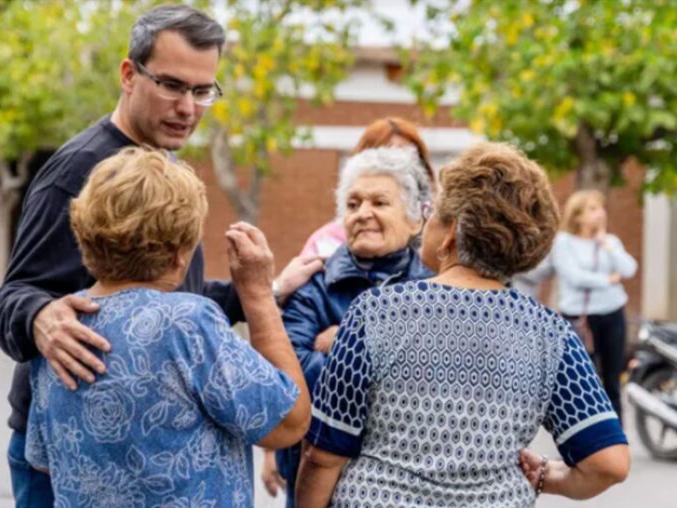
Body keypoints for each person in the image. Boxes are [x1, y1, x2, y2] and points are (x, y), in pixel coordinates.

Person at [0, 5, 319, 506]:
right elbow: (10, 297)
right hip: (72, 456)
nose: (187, 107)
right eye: (172, 85)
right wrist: (37, 316)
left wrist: (264, 291)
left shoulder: (160, 167)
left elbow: (160, 300)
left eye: (202, 91)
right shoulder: (79, 171)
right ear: (128, 74)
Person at [297, 142, 630, 507]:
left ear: (453, 232)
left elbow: (322, 454)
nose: (424, 224)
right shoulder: (551, 335)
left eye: (432, 212)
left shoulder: (375, 312)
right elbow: (608, 463)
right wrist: (546, 477)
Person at [25, 147, 310, 507]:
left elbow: (44, 461)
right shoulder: (187, 323)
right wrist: (257, 295)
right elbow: (289, 422)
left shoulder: (57, 327)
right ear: (179, 254)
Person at [264, 147, 434, 506]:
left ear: (416, 219)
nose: (363, 214)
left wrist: (341, 342)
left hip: (407, 479)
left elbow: (438, 382)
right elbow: (289, 381)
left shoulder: (435, 290)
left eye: (379, 202)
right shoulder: (315, 285)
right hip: (315, 477)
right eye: (353, 204)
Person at [553, 190, 637, 418]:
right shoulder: (564, 243)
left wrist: (605, 245)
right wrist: (608, 280)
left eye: (600, 208)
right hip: (580, 320)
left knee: (612, 379)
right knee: (582, 381)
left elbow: (629, 269)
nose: (600, 213)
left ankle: (618, 437)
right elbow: (574, 277)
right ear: (577, 216)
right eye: (592, 209)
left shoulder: (610, 242)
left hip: (612, 313)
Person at [300, 117, 435, 258]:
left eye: (409, 160)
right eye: (383, 157)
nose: (363, 214)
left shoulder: (439, 247)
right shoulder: (325, 245)